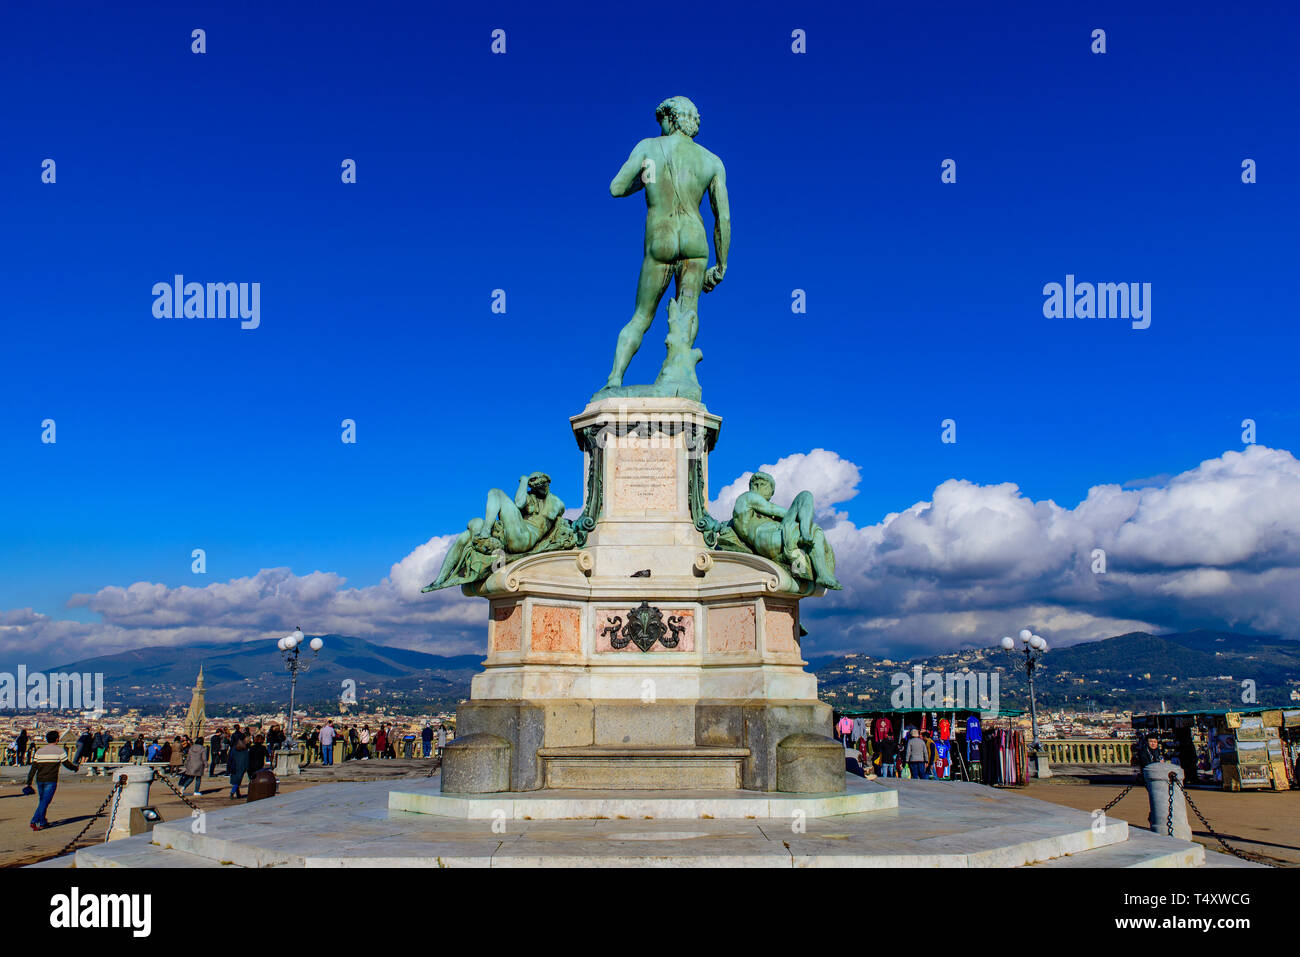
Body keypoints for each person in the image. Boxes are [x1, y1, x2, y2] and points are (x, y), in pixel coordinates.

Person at [602, 95, 729, 390]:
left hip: (661, 239)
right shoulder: (712, 161)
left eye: (661, 121)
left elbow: (617, 188)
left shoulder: (648, 148)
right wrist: (721, 265)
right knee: (686, 316)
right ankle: (677, 377)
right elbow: (722, 219)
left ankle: (614, 378)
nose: (659, 128)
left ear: (671, 119)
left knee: (641, 316)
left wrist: (648, 177)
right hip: (696, 242)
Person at [26, 730, 80, 830]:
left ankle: (42, 821)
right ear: (57, 739)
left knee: (43, 801)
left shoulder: (39, 751)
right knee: (45, 801)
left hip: (40, 779)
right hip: (51, 780)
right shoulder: (60, 751)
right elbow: (67, 764)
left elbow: (33, 768)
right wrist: (75, 768)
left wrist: (29, 782)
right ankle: (35, 821)